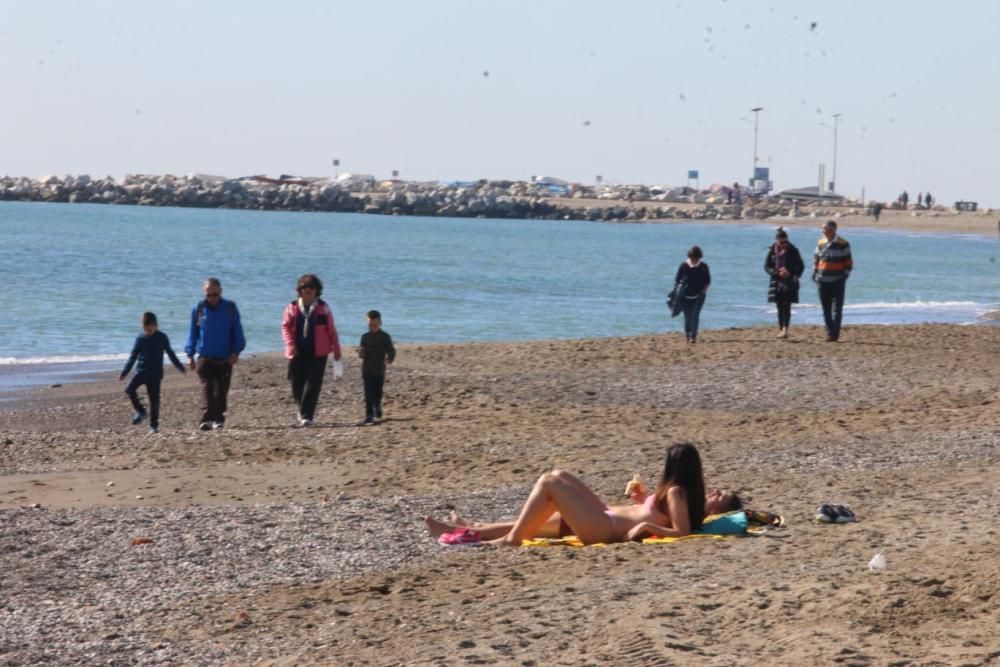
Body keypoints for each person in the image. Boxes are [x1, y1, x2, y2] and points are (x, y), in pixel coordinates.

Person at [425, 443, 742, 546]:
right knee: (558, 476)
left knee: (549, 483)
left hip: (602, 528)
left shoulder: (678, 492)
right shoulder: (677, 495)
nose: (716, 493)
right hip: (603, 516)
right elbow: (659, 515)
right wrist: (642, 498)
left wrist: (647, 528)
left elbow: (682, 531)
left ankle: (509, 540)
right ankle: (466, 528)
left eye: (721, 496)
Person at [184, 277, 246, 430]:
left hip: (225, 358)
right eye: (208, 295)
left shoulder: (230, 308)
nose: (211, 298)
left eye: (214, 294)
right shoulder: (198, 309)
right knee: (208, 387)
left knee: (221, 391)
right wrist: (189, 354)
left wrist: (236, 352)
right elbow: (193, 333)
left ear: (220, 292)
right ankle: (206, 419)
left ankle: (219, 418)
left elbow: (237, 331)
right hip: (205, 357)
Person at [282, 274, 341, 427]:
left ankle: (307, 415)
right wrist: (290, 345)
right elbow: (285, 327)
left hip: (318, 352)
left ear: (317, 290)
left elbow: (331, 330)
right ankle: (301, 409)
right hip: (297, 352)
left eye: (311, 287)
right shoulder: (292, 307)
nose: (308, 290)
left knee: (313, 384)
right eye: (304, 287)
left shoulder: (323, 308)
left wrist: (336, 350)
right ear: (299, 290)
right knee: (297, 384)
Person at [119, 311, 186, 434]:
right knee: (129, 389)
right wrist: (125, 372)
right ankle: (141, 411)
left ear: (156, 325)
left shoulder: (162, 337)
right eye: (145, 329)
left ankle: (153, 426)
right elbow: (133, 356)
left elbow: (171, 353)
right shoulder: (140, 338)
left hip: (155, 375)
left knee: (154, 400)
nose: (148, 332)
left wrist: (179, 366)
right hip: (141, 372)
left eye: (150, 329)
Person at [812, 221, 853, 342]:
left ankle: (835, 334)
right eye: (822, 229)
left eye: (825, 229)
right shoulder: (820, 243)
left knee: (837, 309)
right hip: (822, 280)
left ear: (833, 230)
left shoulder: (843, 243)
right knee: (826, 309)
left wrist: (843, 277)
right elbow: (816, 259)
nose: (823, 231)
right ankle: (830, 332)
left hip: (837, 280)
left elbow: (848, 263)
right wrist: (815, 273)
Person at [764, 229, 805, 339]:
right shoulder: (772, 251)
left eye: (785, 242)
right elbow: (767, 266)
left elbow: (801, 266)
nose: (783, 245)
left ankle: (785, 329)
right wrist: (776, 273)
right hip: (776, 281)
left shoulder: (793, 250)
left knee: (786, 305)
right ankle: (781, 328)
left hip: (789, 281)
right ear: (777, 241)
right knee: (779, 306)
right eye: (781, 242)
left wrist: (792, 274)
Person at [358, 309, 395, 424]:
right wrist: (361, 352)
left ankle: (377, 405)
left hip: (379, 369)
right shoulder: (364, 337)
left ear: (380, 323)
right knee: (368, 391)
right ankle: (369, 414)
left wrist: (390, 358)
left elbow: (391, 350)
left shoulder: (385, 337)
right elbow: (361, 351)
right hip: (367, 369)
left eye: (375, 325)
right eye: (370, 325)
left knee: (378, 391)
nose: (372, 327)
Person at [674, 246, 711, 344]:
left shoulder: (704, 266)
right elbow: (677, 279)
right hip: (685, 296)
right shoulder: (683, 266)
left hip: (699, 296)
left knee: (695, 315)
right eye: (692, 258)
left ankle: (693, 337)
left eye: (696, 258)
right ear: (689, 257)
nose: (694, 260)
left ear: (699, 257)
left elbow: (707, 281)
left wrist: (703, 292)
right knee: (687, 316)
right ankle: (687, 334)